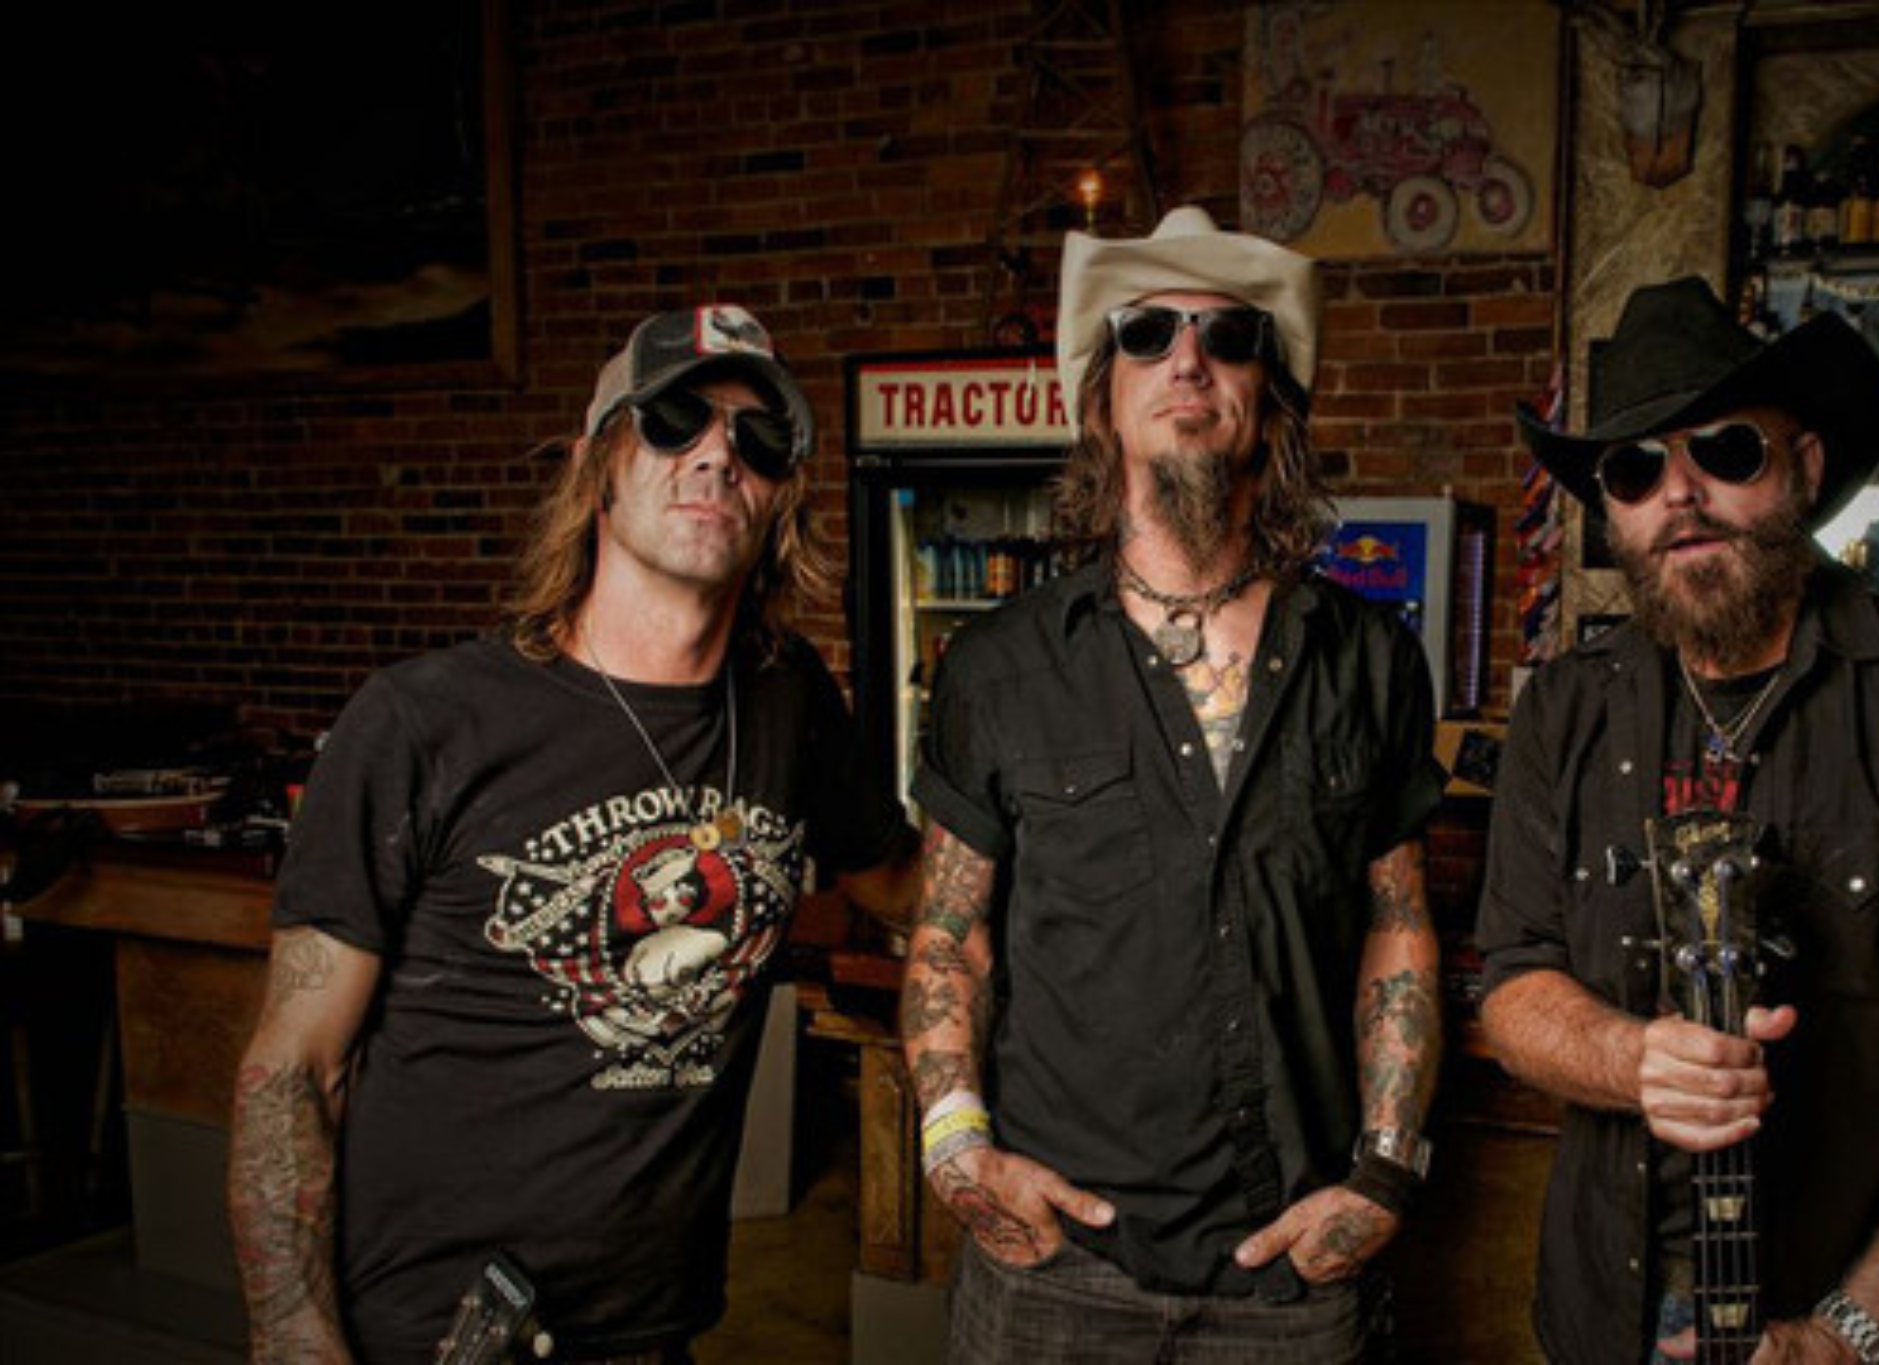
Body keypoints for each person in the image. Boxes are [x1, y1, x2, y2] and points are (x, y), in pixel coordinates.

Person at [227, 304, 919, 1364]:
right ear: (597, 466)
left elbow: (907, 886)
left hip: (656, 1329)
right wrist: (292, 1336)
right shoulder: (422, 722)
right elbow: (293, 1068)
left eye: (757, 436)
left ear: (782, 491)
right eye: (674, 420)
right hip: (435, 1335)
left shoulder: (790, 704)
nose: (716, 454)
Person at [1477, 277, 1879, 1365]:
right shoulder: (1562, 709)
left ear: (1802, 464)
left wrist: (1848, 1335)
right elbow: (1514, 980)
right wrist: (1632, 1058)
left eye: (1725, 450)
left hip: (1849, 1323)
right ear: (1610, 511)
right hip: (1598, 1321)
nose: (1679, 493)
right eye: (1634, 470)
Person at [899, 206, 1446, 1362]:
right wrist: (955, 1150)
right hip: (1057, 1270)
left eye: (1227, 336)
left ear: (1269, 400)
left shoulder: (1369, 659)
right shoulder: (998, 667)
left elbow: (1395, 927)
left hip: (1295, 1276)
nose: (1187, 360)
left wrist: (1387, 1169)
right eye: (1146, 333)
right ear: (1102, 398)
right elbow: (949, 936)